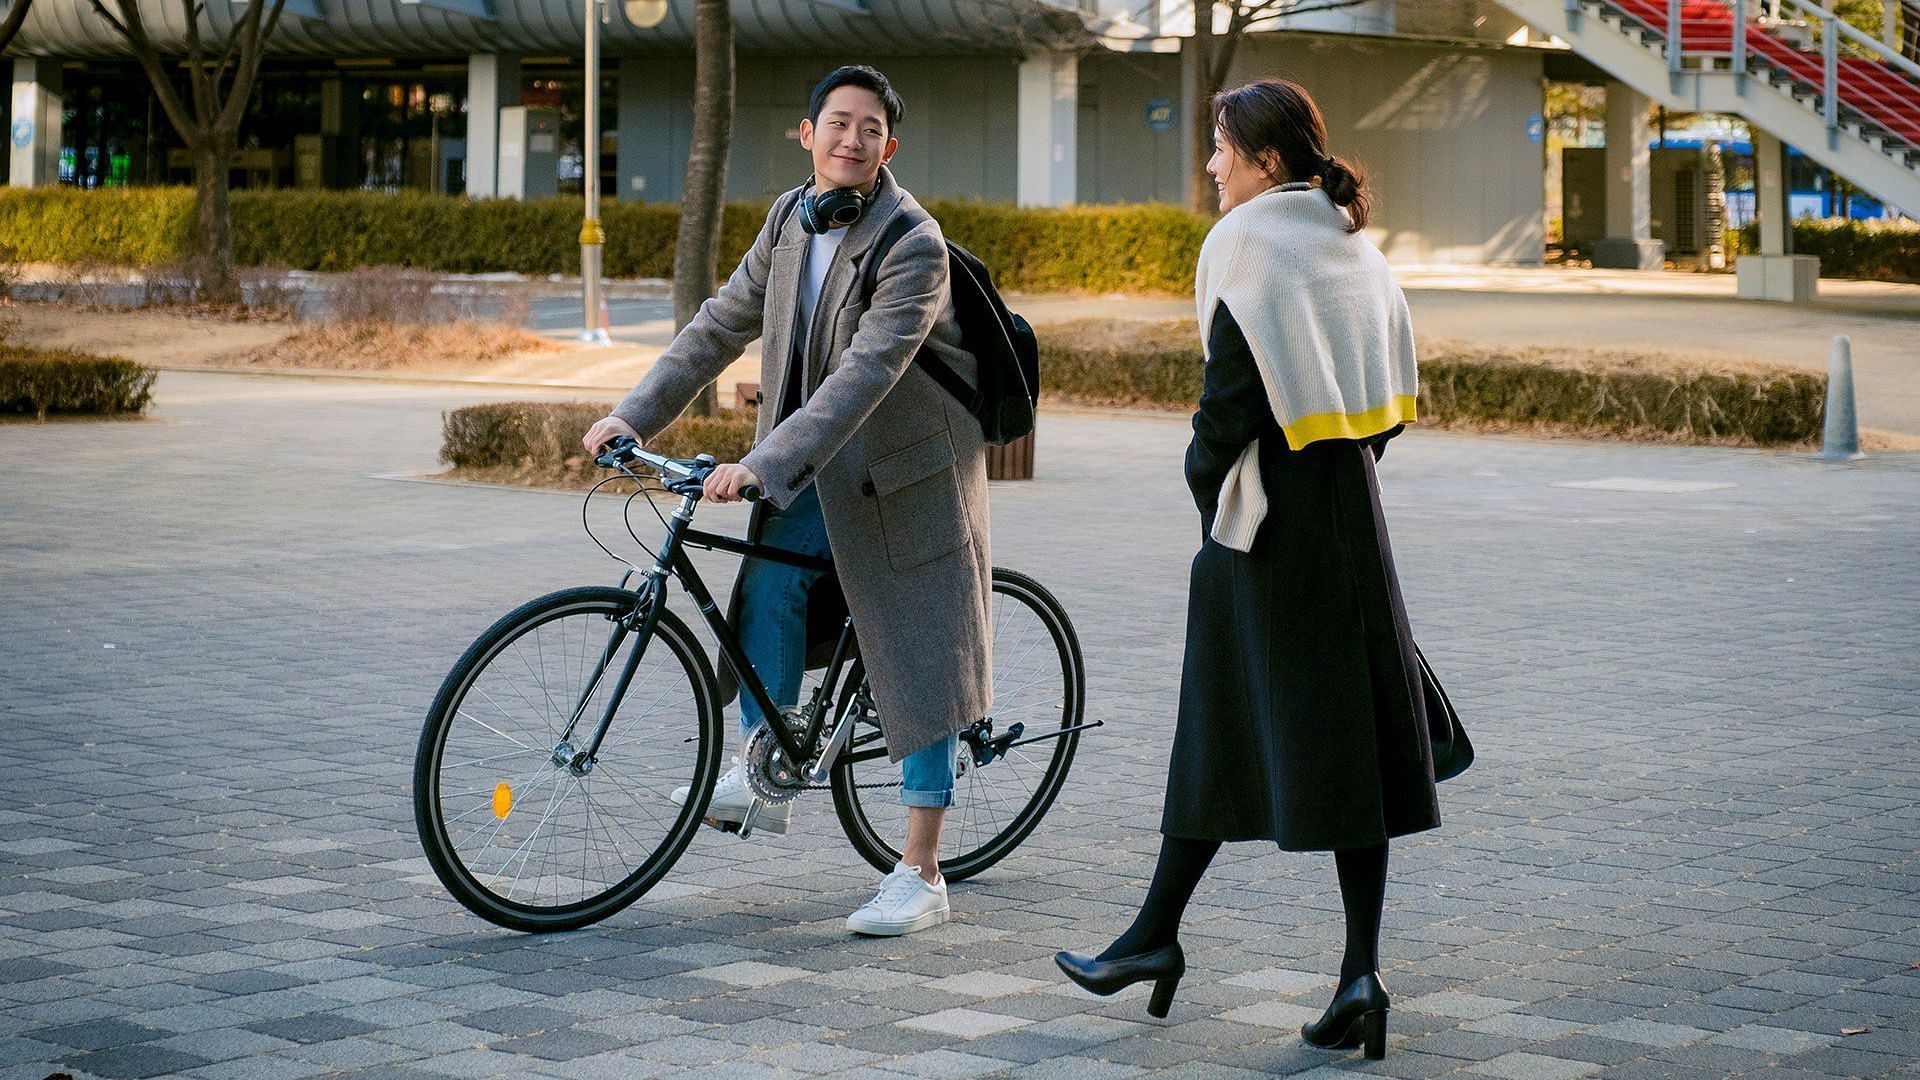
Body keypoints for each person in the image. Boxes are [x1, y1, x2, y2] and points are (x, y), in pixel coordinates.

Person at [1052, 78, 1440, 1060]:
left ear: (1266, 158)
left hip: (1263, 522)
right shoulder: (1350, 238)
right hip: (1350, 508)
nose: (1212, 165)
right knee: (1349, 735)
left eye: (1221, 147)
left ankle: (1152, 937)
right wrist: (1341, 458)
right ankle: (1359, 970)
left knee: (1218, 723)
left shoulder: (1249, 240)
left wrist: (1206, 489)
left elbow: (1225, 402)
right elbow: (1390, 395)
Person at [582, 65, 991, 937]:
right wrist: (631, 413)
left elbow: (866, 373)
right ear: (806, 134)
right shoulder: (787, 219)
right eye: (837, 123)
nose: (852, 139)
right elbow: (716, 328)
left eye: (870, 128)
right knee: (767, 584)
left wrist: (762, 462)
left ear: (890, 146)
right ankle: (769, 759)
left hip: (909, 474)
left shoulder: (911, 242)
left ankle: (922, 872)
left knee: (913, 651)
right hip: (822, 461)